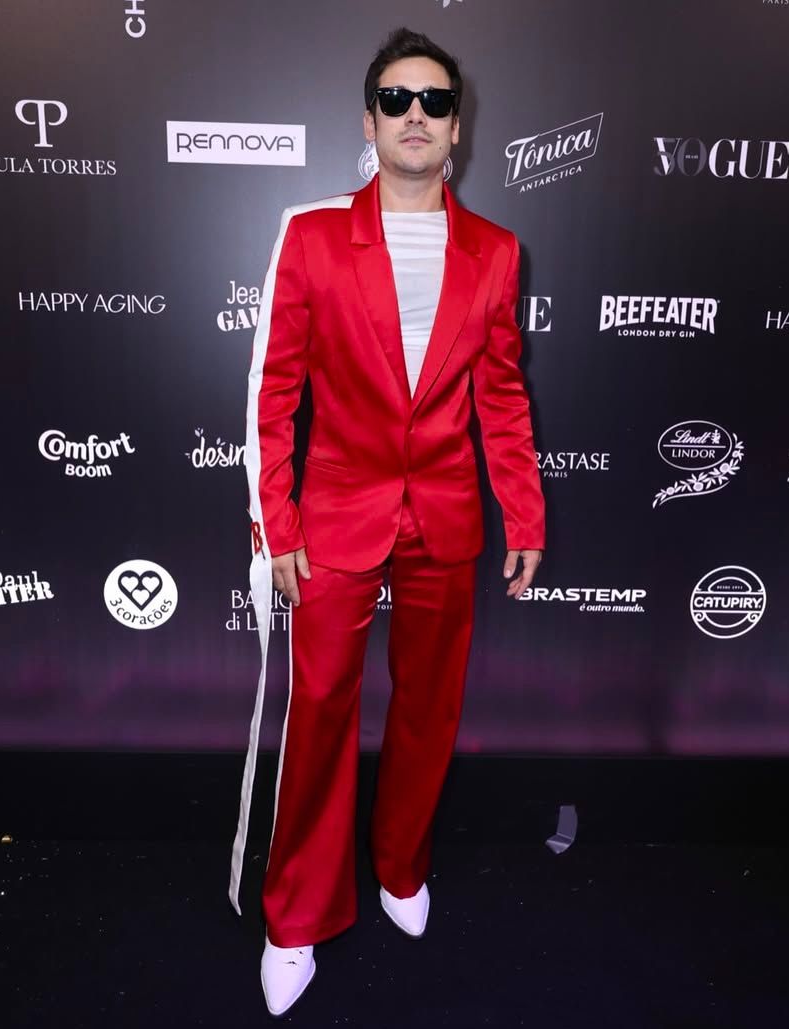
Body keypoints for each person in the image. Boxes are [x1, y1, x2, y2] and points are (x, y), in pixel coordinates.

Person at [228, 26, 546, 1017]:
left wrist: (524, 510)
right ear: (369, 122)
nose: (417, 115)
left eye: (435, 102)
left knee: (427, 709)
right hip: (333, 517)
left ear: (457, 128)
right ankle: (295, 918)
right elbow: (273, 395)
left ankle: (401, 865)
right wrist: (277, 527)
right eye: (398, 99)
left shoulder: (498, 253)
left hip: (445, 516)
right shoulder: (311, 235)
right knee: (319, 713)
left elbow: (502, 396)